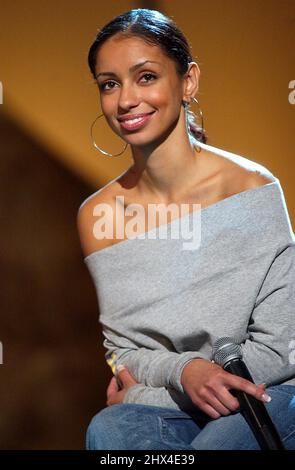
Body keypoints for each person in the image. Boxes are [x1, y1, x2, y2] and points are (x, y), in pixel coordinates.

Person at [77, 8, 295, 450]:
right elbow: (123, 354)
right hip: (181, 398)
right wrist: (185, 375)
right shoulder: (97, 217)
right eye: (110, 84)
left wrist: (139, 393)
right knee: (108, 430)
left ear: (188, 81)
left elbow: (282, 351)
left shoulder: (251, 188)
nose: (125, 100)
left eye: (146, 77)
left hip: (270, 392)